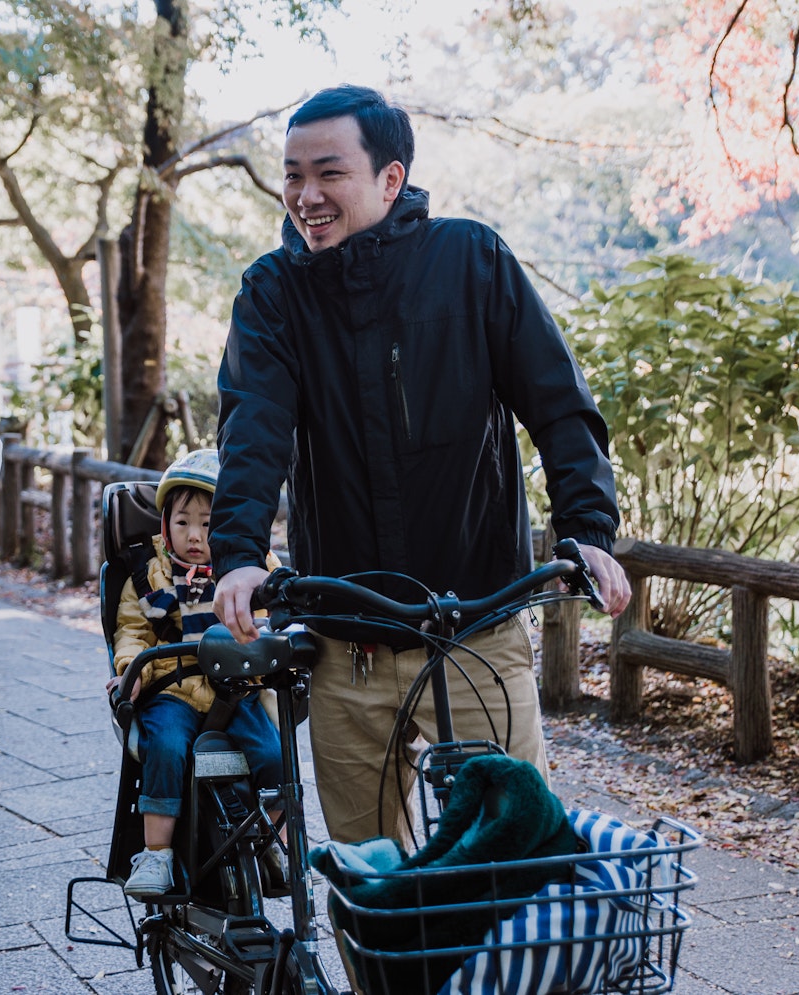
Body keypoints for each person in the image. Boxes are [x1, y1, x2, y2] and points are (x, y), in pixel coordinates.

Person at [210, 86, 633, 848]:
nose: (306, 195)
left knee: (515, 859)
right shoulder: (273, 293)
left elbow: (561, 405)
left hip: (478, 631)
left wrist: (589, 528)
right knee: (370, 883)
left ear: (390, 179)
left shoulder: (471, 261)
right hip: (348, 651)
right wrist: (239, 555)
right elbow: (254, 429)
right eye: (293, 174)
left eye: (328, 173)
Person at [107, 449, 284, 897]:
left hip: (237, 688)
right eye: (183, 522)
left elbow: (276, 618)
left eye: (209, 523)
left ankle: (266, 839)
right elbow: (130, 631)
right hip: (174, 690)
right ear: (165, 524)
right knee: (163, 747)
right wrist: (131, 669)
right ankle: (156, 854)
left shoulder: (249, 574)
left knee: (276, 757)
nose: (195, 535)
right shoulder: (148, 576)